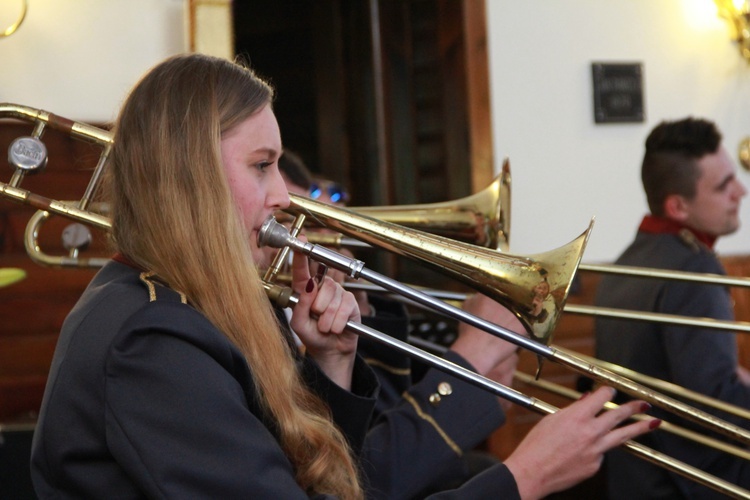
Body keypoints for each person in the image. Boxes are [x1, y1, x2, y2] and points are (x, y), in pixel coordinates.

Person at [29, 53, 657, 499]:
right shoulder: (151, 339)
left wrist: (330, 364)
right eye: (262, 166)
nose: (287, 197)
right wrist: (524, 479)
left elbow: (323, 483)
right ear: (189, 177)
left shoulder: (188, 309)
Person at [594, 117, 750, 499]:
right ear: (678, 206)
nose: (741, 191)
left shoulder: (626, 261)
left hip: (633, 477)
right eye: (724, 185)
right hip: (689, 483)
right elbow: (716, 403)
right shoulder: (694, 267)